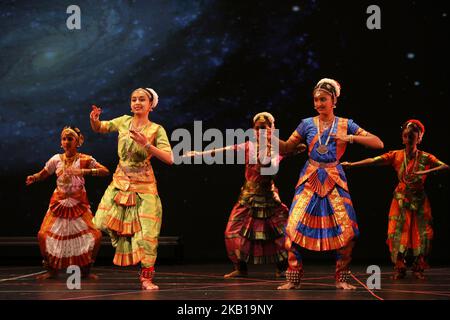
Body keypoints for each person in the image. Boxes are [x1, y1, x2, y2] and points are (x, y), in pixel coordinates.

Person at [276, 78, 384, 290]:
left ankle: (341, 278)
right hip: (310, 177)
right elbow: (287, 148)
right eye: (315, 99)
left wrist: (350, 137)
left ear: (334, 100)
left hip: (334, 178)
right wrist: (269, 137)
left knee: (349, 230)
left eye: (323, 99)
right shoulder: (306, 124)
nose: (318, 103)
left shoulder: (346, 124)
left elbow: (378, 142)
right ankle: (293, 277)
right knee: (292, 227)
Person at [185, 112, 306, 278]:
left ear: (272, 128)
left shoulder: (279, 148)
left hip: (269, 198)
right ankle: (240, 268)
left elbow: (286, 155)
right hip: (248, 197)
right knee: (231, 232)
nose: (260, 131)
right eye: (257, 128)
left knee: (280, 233)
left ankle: (282, 268)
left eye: (264, 128)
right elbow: (224, 150)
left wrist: (291, 150)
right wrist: (199, 154)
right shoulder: (248, 146)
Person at [342, 119, 449, 280]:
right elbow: (373, 161)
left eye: (413, 135)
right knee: (397, 233)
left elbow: (445, 167)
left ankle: (419, 268)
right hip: (400, 200)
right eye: (406, 135)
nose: (409, 138)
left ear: (419, 138)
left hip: (419, 201)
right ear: (403, 138)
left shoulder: (426, 158)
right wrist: (352, 164)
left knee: (423, 234)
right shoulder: (396, 155)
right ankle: (400, 267)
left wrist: (424, 173)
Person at [90, 87, 173, 290]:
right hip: (120, 183)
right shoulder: (124, 121)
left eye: (142, 99)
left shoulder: (156, 129)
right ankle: (122, 245)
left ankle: (146, 278)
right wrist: (94, 119)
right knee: (99, 223)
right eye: (134, 99)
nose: (137, 102)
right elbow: (100, 127)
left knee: (147, 235)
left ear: (150, 105)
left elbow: (169, 159)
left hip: (144, 187)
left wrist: (147, 145)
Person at [26, 126, 109, 280]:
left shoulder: (84, 159)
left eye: (70, 139)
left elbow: (105, 171)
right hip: (58, 202)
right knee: (43, 235)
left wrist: (84, 172)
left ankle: (86, 270)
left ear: (78, 142)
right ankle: (51, 270)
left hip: (79, 203)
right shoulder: (56, 159)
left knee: (95, 235)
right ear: (61, 142)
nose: (66, 142)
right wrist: (34, 177)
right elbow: (44, 173)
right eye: (64, 139)